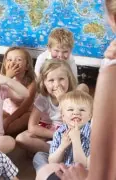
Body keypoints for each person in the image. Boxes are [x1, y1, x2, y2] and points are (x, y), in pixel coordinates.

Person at [36, 0, 116, 179]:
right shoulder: (43, 67)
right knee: (41, 159)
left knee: (44, 168)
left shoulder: (110, 70)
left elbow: (99, 170)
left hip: (82, 157)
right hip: (59, 133)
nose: (61, 56)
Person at [16, 60, 77, 154]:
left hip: (68, 131)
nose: (57, 84)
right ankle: (56, 152)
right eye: (51, 80)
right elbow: (32, 126)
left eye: (61, 79)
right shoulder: (42, 99)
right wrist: (54, 135)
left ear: (69, 79)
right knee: (21, 138)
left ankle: (57, 151)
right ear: (44, 83)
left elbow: (73, 123)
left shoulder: (74, 97)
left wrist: (62, 101)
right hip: (50, 130)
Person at [36, 90, 93, 180]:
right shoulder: (60, 132)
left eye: (82, 110)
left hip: (81, 174)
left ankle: (48, 175)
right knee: (39, 156)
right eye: (70, 109)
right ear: (63, 116)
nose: (76, 113)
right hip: (61, 168)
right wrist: (62, 146)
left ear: (90, 116)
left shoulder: (92, 134)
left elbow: (83, 164)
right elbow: (53, 161)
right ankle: (49, 174)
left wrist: (76, 139)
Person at [34, 27, 89, 93]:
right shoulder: (42, 58)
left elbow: (74, 82)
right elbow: (37, 81)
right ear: (49, 48)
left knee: (83, 87)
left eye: (65, 51)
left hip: (64, 90)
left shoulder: (70, 60)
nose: (60, 55)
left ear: (71, 50)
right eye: (56, 51)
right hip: (47, 90)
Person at [1, 47, 36, 135]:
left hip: (24, 112)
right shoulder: (2, 79)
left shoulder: (32, 83)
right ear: (5, 64)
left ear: (27, 66)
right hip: (7, 110)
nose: (13, 63)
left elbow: (24, 108)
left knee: (9, 129)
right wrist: (7, 78)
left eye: (19, 60)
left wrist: (8, 121)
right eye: (9, 60)